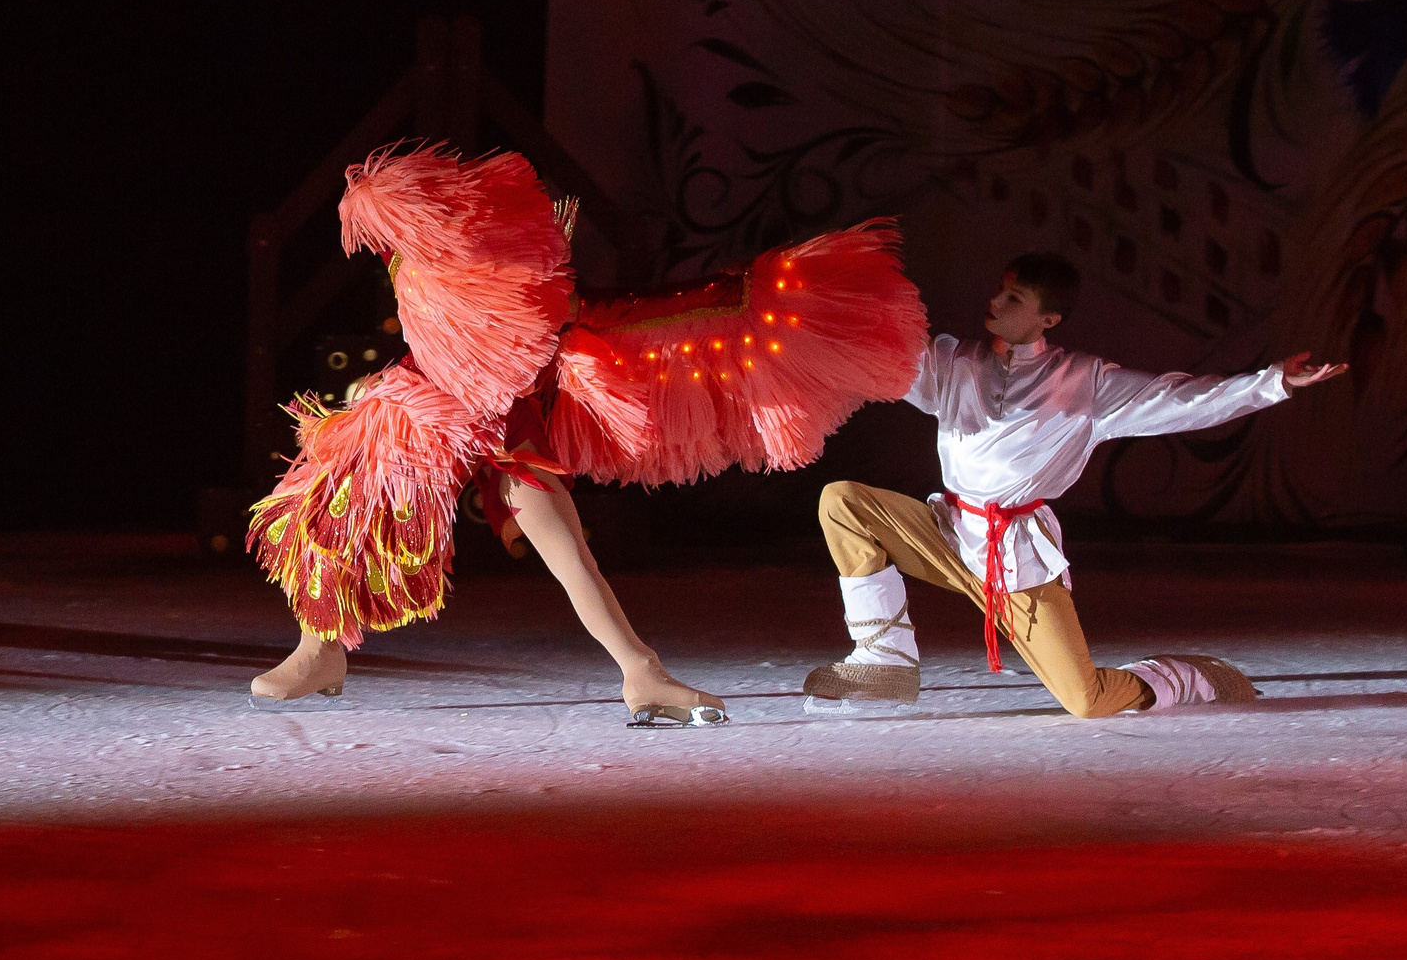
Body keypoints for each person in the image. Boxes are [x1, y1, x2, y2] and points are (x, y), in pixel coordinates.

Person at [250, 144, 928, 727]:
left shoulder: (537, 296)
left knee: (568, 552)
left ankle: (641, 670)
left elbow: (626, 316)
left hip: (505, 426)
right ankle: (321, 647)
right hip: (424, 408)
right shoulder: (434, 273)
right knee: (339, 499)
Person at [803, 250, 1346, 717]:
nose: (995, 304)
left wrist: (1270, 383)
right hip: (947, 534)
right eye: (999, 292)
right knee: (842, 501)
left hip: (1015, 558)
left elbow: (1180, 399)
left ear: (1049, 319)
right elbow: (876, 354)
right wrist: (796, 320)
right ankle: (884, 659)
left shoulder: (1083, 383)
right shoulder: (952, 361)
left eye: (1014, 300)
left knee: (1085, 701)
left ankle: (1188, 677)